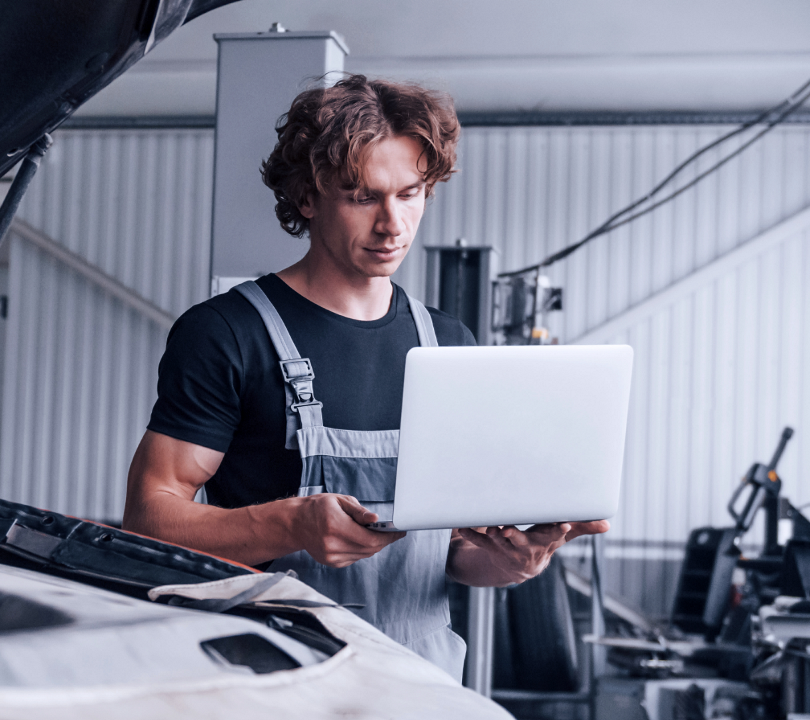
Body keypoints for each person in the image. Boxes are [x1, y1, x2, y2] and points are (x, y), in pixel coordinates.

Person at [124, 74, 607, 680]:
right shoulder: (226, 333)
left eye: (409, 195)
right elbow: (150, 517)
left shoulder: (449, 345)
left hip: (419, 683)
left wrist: (515, 561)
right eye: (362, 197)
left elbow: (453, 552)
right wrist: (289, 523)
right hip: (274, 679)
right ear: (307, 197)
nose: (392, 225)